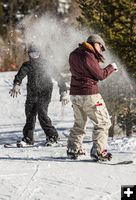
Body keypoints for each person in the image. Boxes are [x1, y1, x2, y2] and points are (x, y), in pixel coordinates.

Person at [67, 34, 118, 160]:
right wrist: (111, 67)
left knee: (80, 123)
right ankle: (99, 151)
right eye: (101, 47)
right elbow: (100, 75)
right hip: (89, 94)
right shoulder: (88, 55)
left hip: (75, 94)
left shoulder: (74, 54)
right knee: (103, 123)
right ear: (96, 43)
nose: (101, 50)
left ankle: (73, 149)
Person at [9, 45, 68, 147]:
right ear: (29, 54)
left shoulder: (46, 64)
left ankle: (52, 136)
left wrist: (63, 91)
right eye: (32, 53)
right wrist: (16, 84)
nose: (34, 55)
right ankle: (28, 139)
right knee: (30, 115)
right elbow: (20, 75)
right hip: (32, 93)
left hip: (45, 93)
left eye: (36, 53)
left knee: (42, 114)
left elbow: (59, 77)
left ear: (40, 53)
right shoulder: (27, 65)